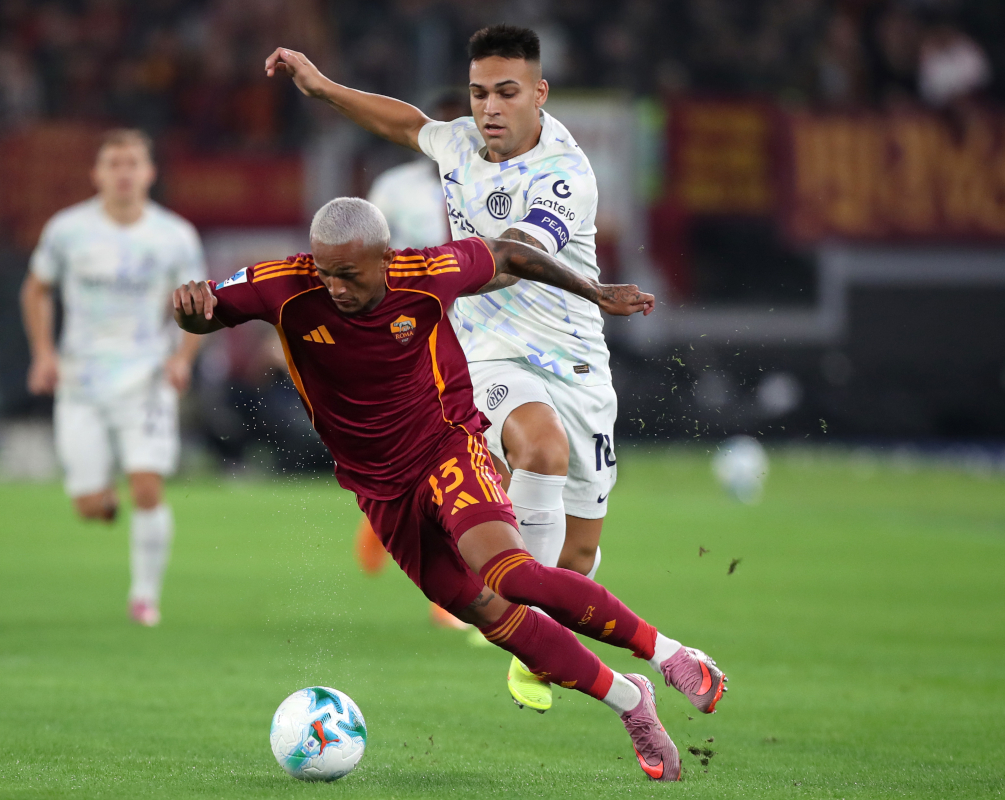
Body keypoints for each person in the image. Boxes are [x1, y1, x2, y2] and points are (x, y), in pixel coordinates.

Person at [173, 197, 726, 782]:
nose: (334, 286)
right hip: (378, 491)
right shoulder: (284, 284)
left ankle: (673, 657)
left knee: (510, 575)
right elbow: (204, 311)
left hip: (446, 448)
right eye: (326, 271)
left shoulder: (427, 272)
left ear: (384, 258)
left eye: (350, 273)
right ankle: (631, 703)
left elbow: (510, 253)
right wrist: (189, 312)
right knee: (492, 618)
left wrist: (595, 291)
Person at [266, 25, 638, 713]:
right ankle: (522, 618)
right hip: (485, 355)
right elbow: (407, 122)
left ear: (538, 94)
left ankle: (545, 622)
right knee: (539, 446)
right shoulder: (460, 140)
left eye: (505, 92)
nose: (489, 107)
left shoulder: (564, 174)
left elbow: (512, 257)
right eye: (477, 93)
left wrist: (430, 277)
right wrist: (322, 88)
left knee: (580, 556)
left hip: (576, 365)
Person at [20, 129, 206, 627]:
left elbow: (200, 306)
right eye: (114, 164)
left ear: (149, 173)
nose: (123, 173)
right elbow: (36, 290)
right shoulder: (68, 230)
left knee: (147, 486)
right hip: (80, 380)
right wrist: (43, 353)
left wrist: (182, 357)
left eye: (132, 163)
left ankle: (144, 598)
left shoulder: (174, 236)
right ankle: (101, 499)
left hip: (146, 377)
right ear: (97, 174)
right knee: (88, 506)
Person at [359, 91, 472, 631]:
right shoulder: (393, 189)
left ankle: (448, 594)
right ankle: (384, 514)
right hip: (403, 333)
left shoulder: (484, 187)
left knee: (465, 449)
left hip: (470, 334)